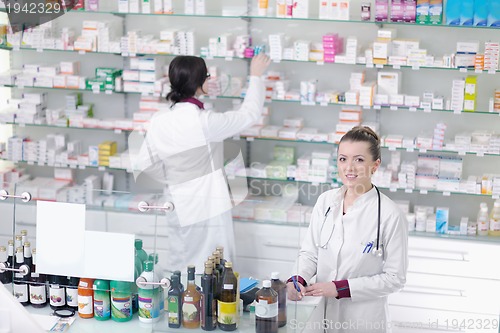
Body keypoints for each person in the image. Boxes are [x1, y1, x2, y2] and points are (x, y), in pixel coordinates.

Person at [134, 54, 271, 272]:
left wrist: (175, 178)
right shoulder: (205, 122)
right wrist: (255, 76)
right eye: (207, 76)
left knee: (180, 263)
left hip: (175, 201)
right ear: (200, 83)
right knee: (212, 267)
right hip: (206, 203)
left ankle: (180, 303)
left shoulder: (159, 119)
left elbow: (145, 163)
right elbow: (249, 114)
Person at [287, 126, 408, 333]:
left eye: (359, 160)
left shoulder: (389, 214)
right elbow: (310, 253)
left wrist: (340, 288)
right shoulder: (326, 201)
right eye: (343, 159)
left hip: (362, 320)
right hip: (321, 315)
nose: (349, 167)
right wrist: (297, 279)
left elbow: (395, 278)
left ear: (375, 165)